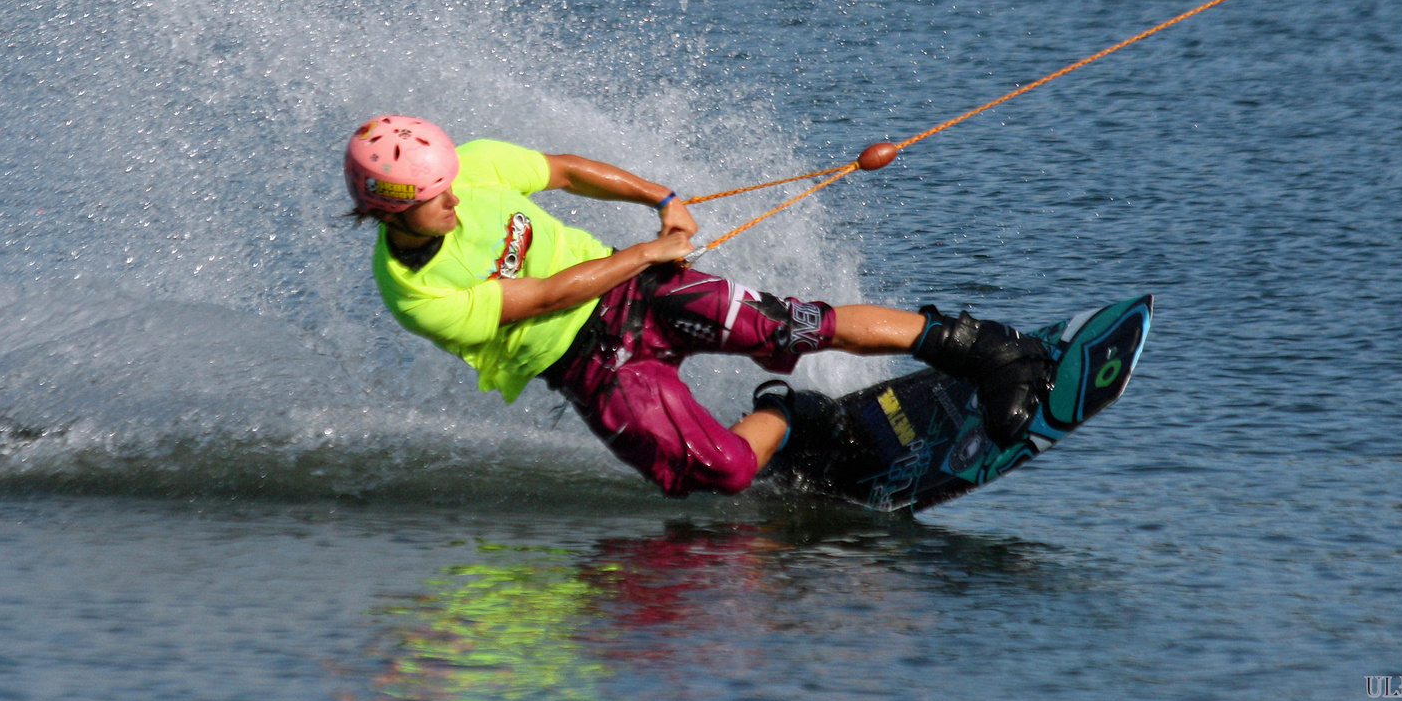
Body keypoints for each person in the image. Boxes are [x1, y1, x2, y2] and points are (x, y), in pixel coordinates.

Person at [347, 114, 1057, 498]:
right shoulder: (415, 292)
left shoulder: (466, 168)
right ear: (390, 210)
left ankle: (988, 349)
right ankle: (791, 418)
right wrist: (645, 251)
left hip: (644, 295)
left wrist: (661, 199)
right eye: (438, 198)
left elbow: (562, 170)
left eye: (451, 181)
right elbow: (547, 295)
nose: (456, 197)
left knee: (795, 324)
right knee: (721, 474)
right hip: (592, 366)